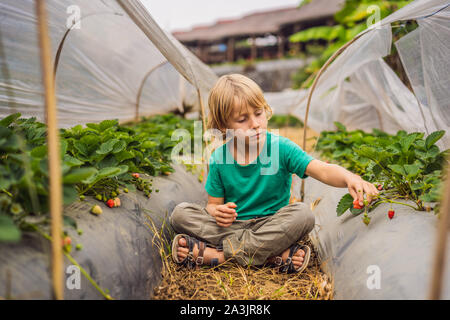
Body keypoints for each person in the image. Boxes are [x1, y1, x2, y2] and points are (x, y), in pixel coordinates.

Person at [170, 74, 378, 273]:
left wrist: (351, 177)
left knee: (303, 215)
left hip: (271, 224)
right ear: (224, 126)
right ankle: (270, 255)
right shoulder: (218, 158)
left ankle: (220, 255)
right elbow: (213, 205)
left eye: (259, 113)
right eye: (242, 119)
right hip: (235, 227)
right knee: (180, 214)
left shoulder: (281, 148)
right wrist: (217, 212)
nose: (255, 124)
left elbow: (322, 170)